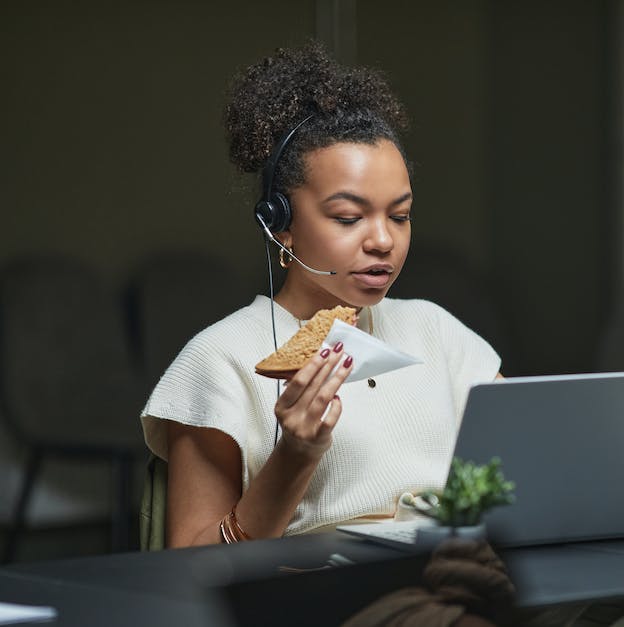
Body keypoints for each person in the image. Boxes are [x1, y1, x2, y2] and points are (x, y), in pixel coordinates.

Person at [140, 41, 500, 548]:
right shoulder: (220, 360)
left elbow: (534, 457)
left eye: (400, 215)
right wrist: (296, 455)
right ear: (279, 224)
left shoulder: (435, 330)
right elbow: (190, 563)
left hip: (454, 584)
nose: (382, 240)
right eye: (349, 218)